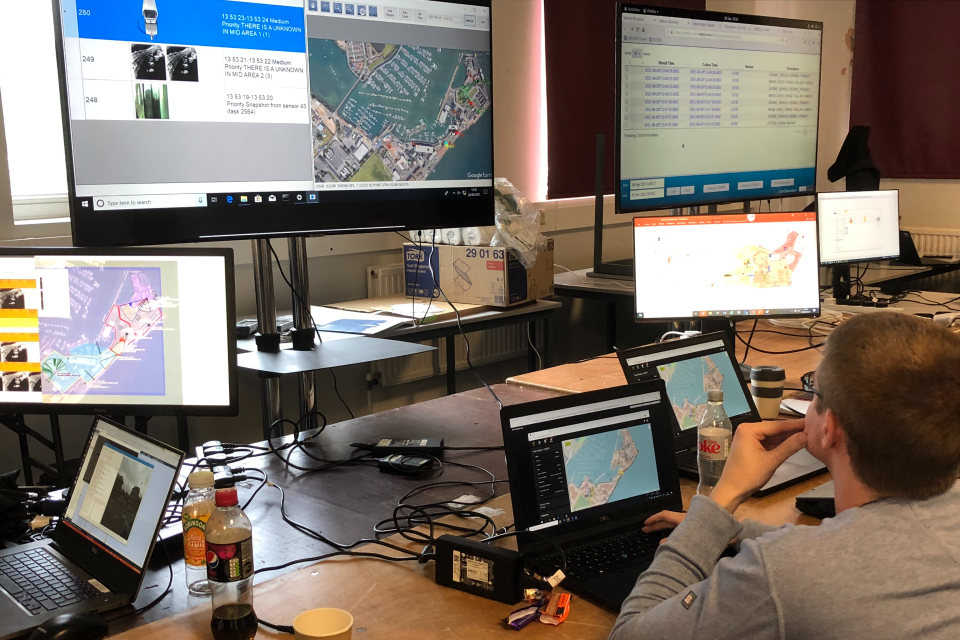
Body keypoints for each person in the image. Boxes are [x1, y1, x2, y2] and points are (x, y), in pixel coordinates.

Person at [610, 312, 960, 640]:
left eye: (813, 391)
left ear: (829, 428)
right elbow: (872, 547)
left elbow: (630, 634)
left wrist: (719, 502)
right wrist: (728, 531)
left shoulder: (785, 574)